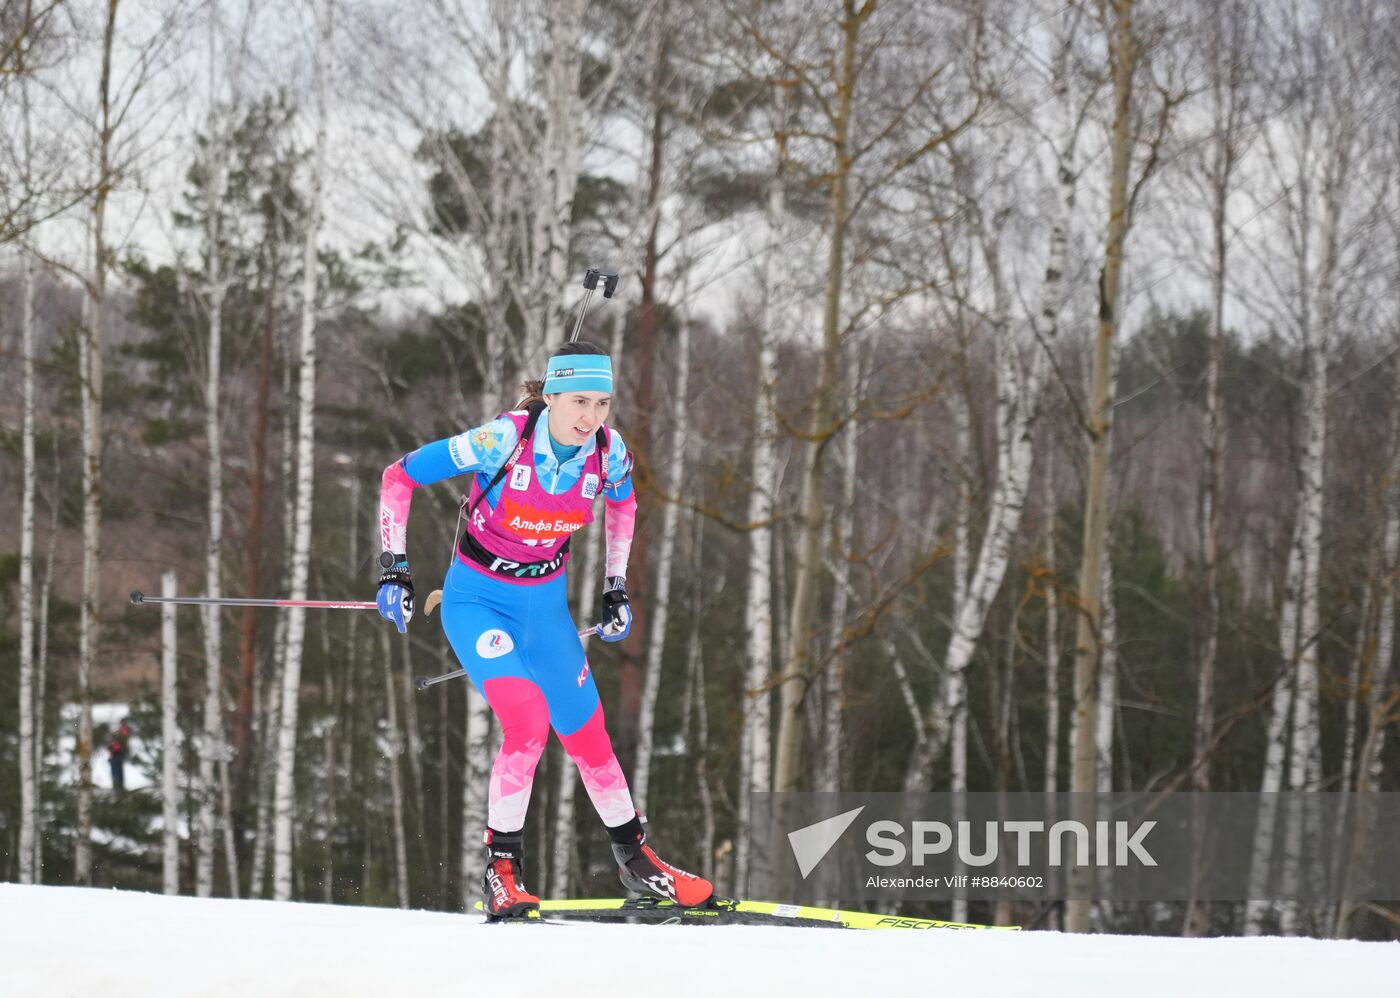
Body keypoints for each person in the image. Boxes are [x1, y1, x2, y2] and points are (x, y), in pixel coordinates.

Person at [375, 341, 714, 920]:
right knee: (527, 719)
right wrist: (395, 569)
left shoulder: (607, 452)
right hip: (477, 602)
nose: (591, 417)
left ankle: (639, 865)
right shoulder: (500, 440)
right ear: (551, 395)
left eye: (603, 403)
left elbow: (624, 508)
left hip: (545, 610)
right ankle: (502, 873)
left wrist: (614, 585)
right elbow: (398, 477)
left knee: (590, 734)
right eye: (579, 401)